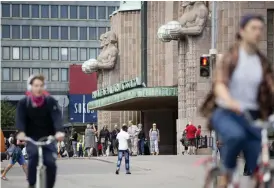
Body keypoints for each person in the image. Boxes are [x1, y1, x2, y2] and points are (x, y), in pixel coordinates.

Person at [200, 14, 274, 185]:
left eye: (260, 29)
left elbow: (271, 86)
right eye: (253, 28)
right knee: (235, 136)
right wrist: (230, 101)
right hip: (227, 112)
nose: (258, 33)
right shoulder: (231, 57)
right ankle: (225, 173)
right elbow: (220, 84)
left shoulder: (262, 62)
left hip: (252, 115)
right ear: (242, 31)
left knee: (257, 157)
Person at [15, 74, 64, 188]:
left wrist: (59, 131)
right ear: (30, 87)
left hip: (49, 138)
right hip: (31, 137)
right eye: (36, 85)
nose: (39, 88)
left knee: (51, 163)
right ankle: (32, 184)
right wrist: (21, 132)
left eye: (41, 85)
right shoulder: (24, 103)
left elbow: (56, 117)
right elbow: (20, 119)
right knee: (33, 159)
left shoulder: (50, 101)